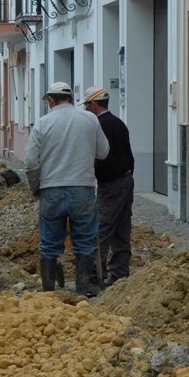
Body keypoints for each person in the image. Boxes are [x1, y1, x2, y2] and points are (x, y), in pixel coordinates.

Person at [25, 82, 109, 295]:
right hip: (83, 189)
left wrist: (36, 188)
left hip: (51, 190)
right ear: (70, 99)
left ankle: (48, 293)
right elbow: (103, 153)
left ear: (51, 100)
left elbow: (31, 163)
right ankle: (82, 290)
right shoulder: (90, 119)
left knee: (50, 244)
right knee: (85, 242)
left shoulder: (42, 123)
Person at [81, 86, 135, 286]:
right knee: (122, 227)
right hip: (125, 180)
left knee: (101, 228)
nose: (86, 109)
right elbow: (129, 155)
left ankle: (96, 275)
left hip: (111, 184)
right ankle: (120, 273)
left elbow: (100, 156)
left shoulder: (99, 126)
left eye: (87, 105)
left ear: (93, 105)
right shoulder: (118, 123)